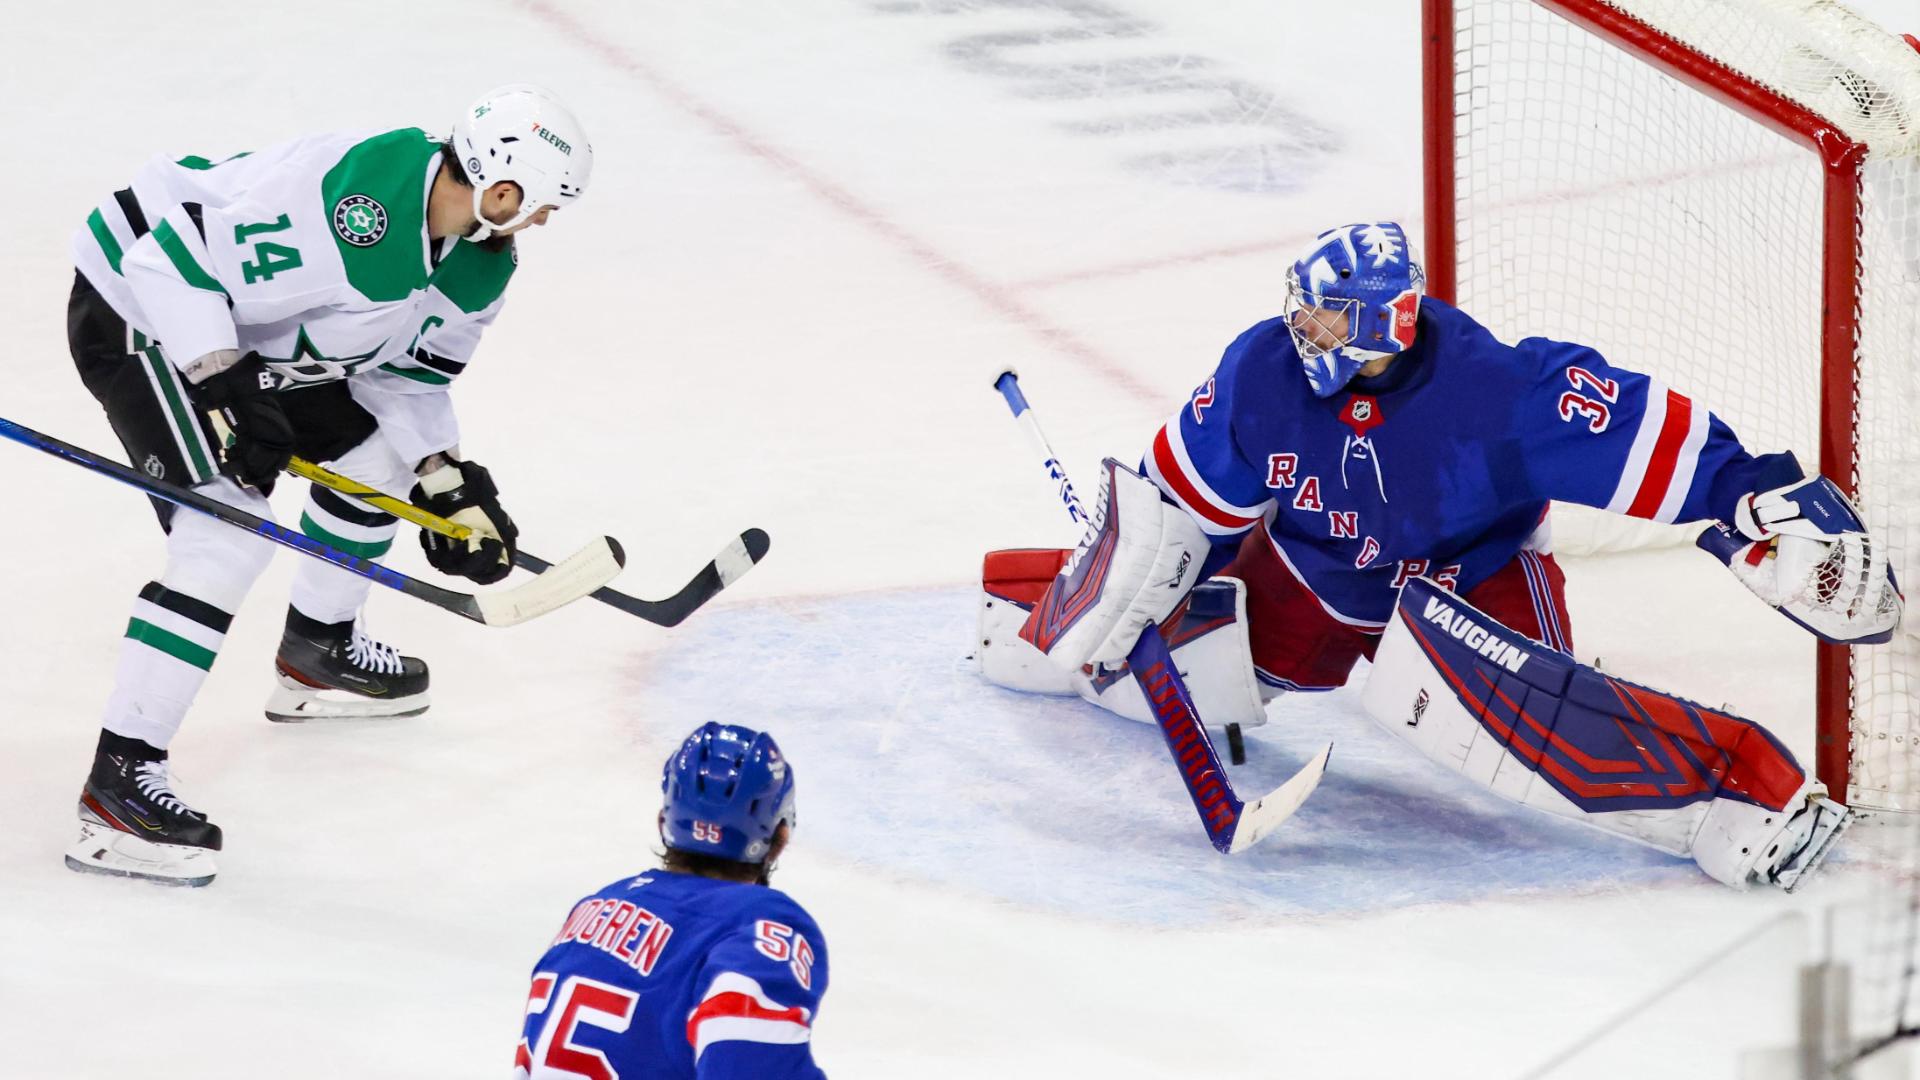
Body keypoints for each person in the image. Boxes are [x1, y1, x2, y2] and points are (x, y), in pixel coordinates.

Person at [979, 221, 1901, 889]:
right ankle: (1032, 614)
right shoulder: (1261, 373)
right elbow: (1178, 498)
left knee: (1515, 720)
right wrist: (1121, 577)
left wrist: (1752, 498)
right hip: (1317, 572)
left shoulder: (1499, 393)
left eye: (1331, 321)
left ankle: (1739, 798)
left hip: (1472, 578)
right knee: (1170, 645)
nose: (1307, 332)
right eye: (1305, 313)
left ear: (1387, 325)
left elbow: (1652, 436)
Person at [64, 84, 594, 887]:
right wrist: (226, 382)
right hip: (140, 308)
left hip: (249, 330)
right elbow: (164, 258)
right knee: (225, 533)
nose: (546, 221)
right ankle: (116, 791)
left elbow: (403, 381)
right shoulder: (352, 214)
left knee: (376, 462)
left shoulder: (482, 264)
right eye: (543, 203)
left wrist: (443, 480)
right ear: (501, 187)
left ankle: (317, 652)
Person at [514, 723, 829, 1079]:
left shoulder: (594, 908)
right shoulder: (758, 923)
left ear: (664, 821)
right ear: (780, 838)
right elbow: (748, 1066)